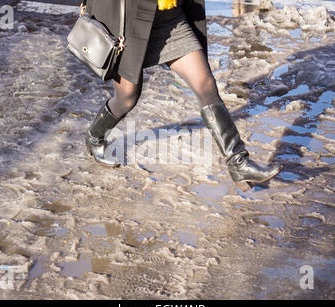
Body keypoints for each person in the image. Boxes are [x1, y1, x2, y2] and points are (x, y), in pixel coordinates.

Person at [81, 0, 282, 191]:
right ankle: (95, 136)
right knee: (127, 98)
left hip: (171, 20)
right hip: (130, 25)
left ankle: (238, 162)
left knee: (206, 84)